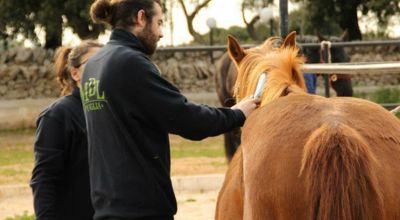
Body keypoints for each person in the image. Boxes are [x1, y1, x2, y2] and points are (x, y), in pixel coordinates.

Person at [82, 0, 260, 219]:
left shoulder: (94, 65)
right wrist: (237, 114)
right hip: (140, 209)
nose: (161, 33)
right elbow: (186, 118)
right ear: (140, 18)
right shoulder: (130, 63)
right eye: (159, 23)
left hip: (107, 204)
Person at [30, 40, 102, 220]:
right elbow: (44, 180)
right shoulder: (57, 115)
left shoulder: (113, 112)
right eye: (96, 62)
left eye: (109, 61)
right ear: (75, 73)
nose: (104, 67)